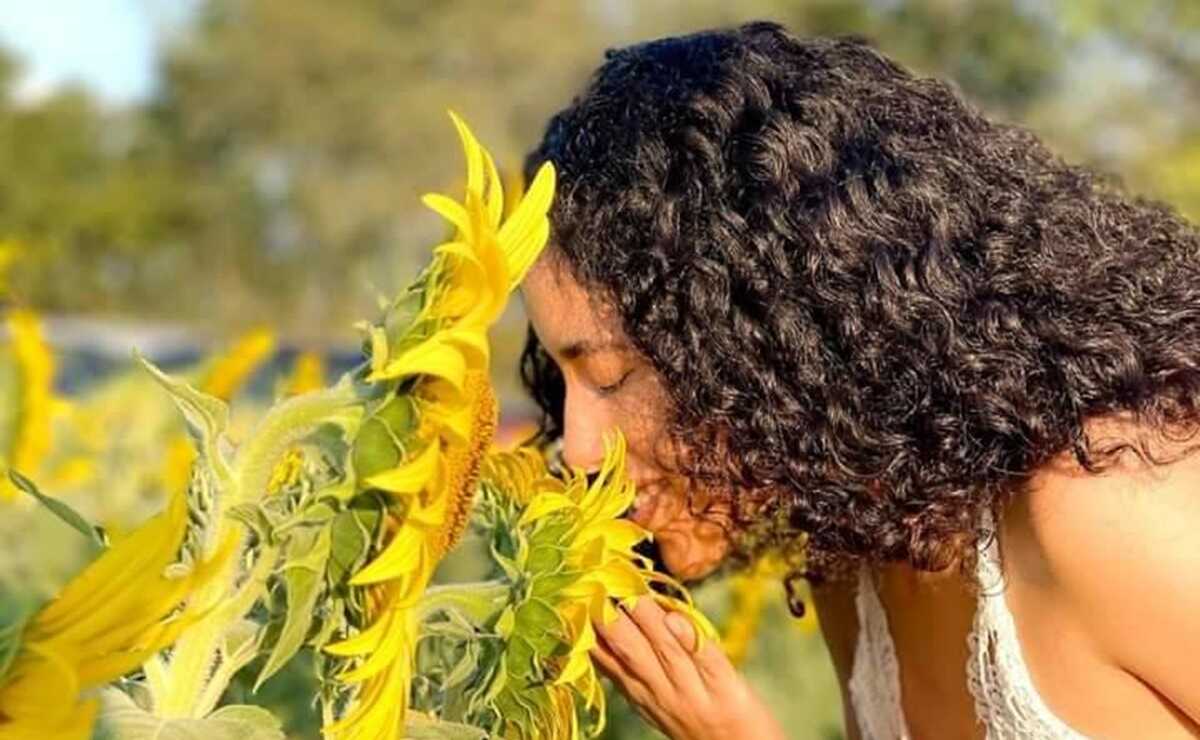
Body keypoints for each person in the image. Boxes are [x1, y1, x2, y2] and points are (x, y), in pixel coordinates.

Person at [517, 20, 1200, 740]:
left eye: (609, 375)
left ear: (763, 334)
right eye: (562, 381)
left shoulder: (1099, 508)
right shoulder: (851, 560)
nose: (579, 449)